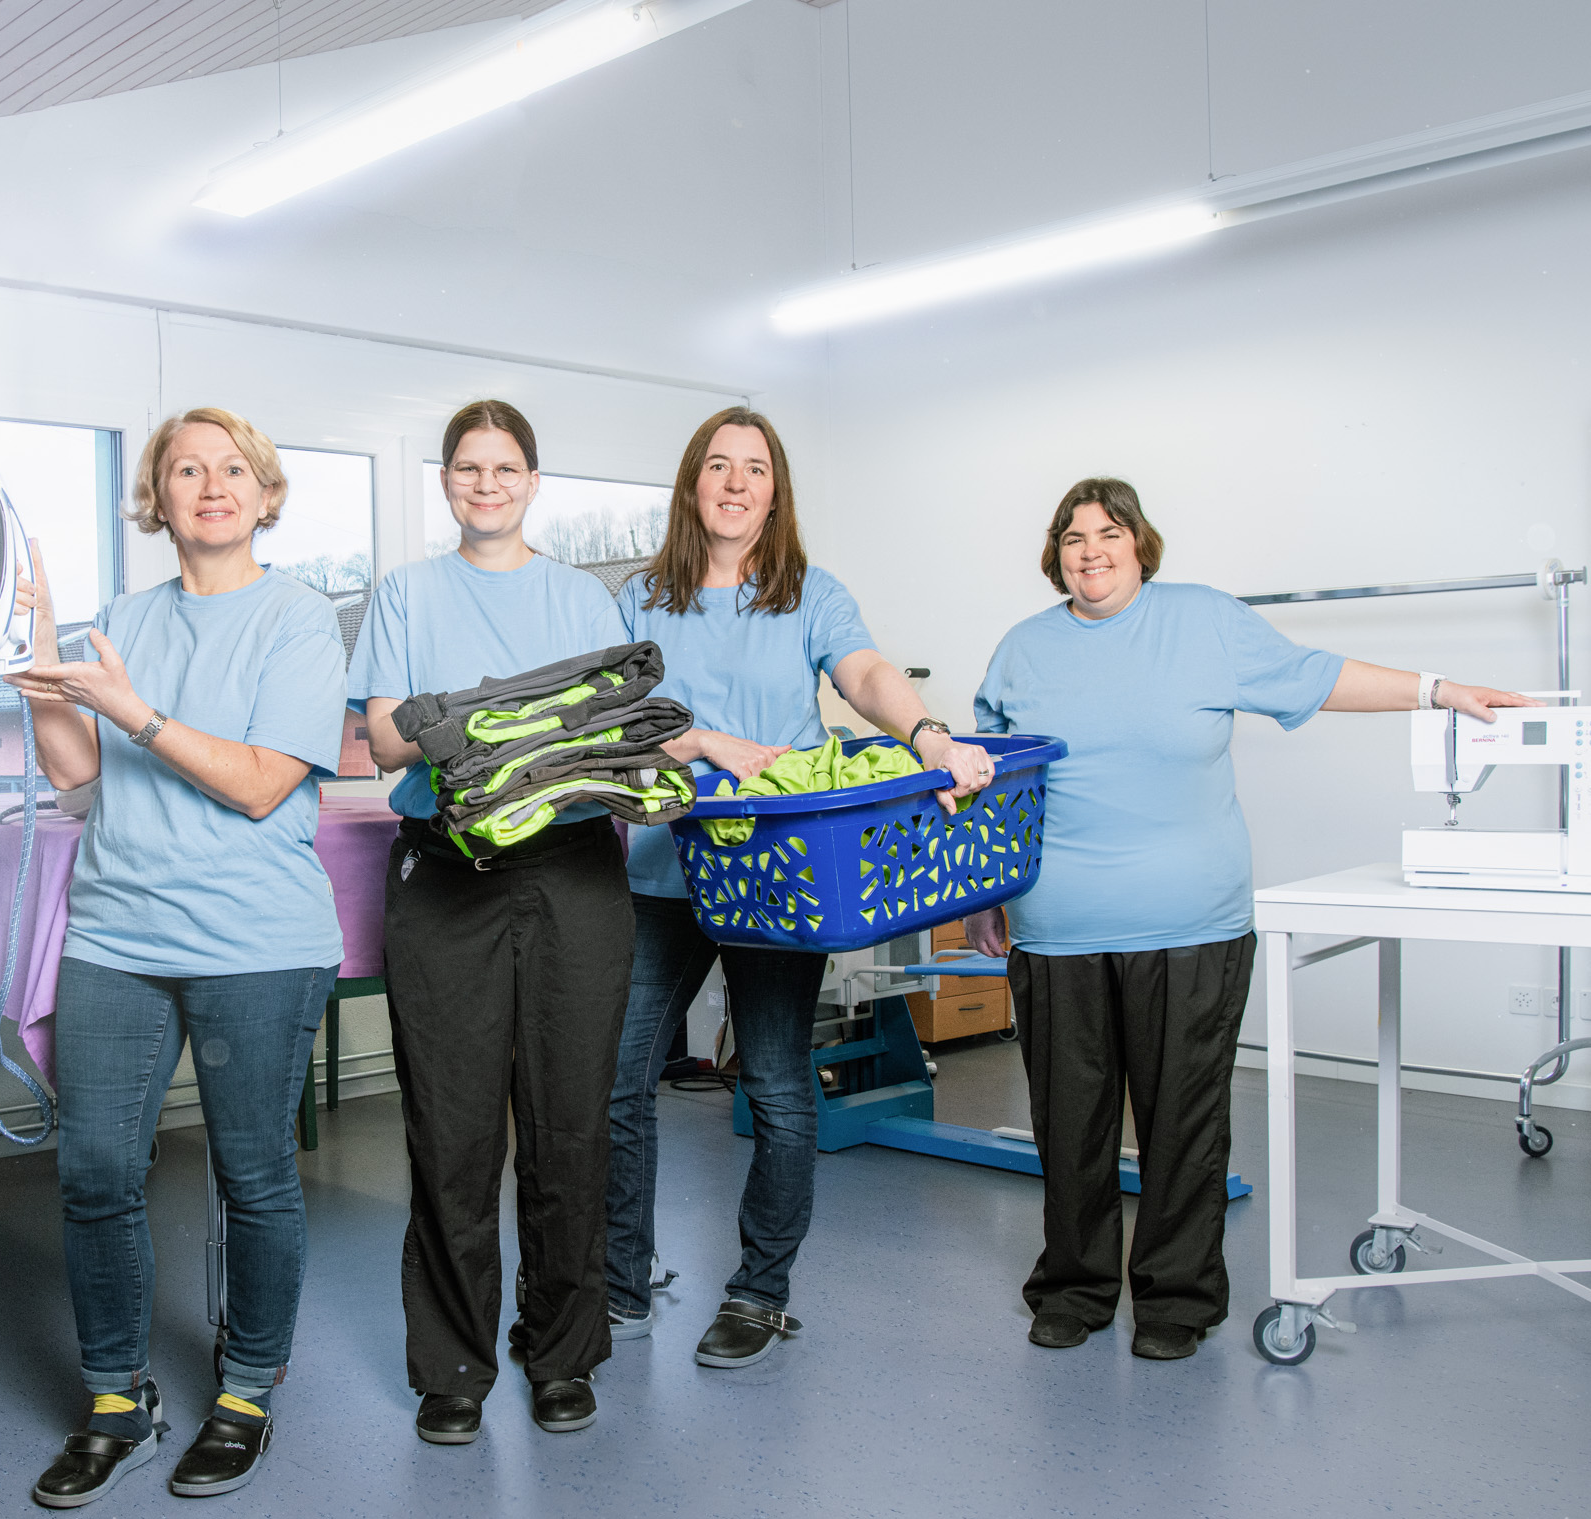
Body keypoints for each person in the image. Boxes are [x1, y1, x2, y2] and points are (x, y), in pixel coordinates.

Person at [963, 477, 1533, 1361]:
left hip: (1192, 925)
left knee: (1182, 1122)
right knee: (1068, 1124)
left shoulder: (1204, 622)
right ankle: (1073, 1290)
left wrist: (1441, 690)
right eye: (1072, 537)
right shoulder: (1022, 651)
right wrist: (986, 893)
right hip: (1058, 926)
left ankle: (1176, 1303)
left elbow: (1320, 677)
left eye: (1108, 532)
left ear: (1139, 544)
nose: (1090, 550)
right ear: (1055, 555)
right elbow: (994, 782)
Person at [5, 407, 345, 1506]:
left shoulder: (300, 620)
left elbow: (257, 784)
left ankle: (245, 1393)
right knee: (96, 1169)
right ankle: (117, 1400)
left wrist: (135, 711)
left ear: (265, 490)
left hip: (256, 942)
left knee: (254, 1177)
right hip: (117, 933)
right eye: (185, 469)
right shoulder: (125, 619)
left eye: (231, 467)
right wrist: (51, 674)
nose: (209, 484)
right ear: (156, 497)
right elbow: (79, 776)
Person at [612, 407, 995, 1367]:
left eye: (754, 469)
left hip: (775, 881)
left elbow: (863, 672)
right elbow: (612, 720)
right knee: (617, 1080)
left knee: (778, 1083)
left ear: (775, 490)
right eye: (717, 466)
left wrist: (928, 735)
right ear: (690, 484)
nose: (735, 484)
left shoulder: (807, 594)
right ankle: (620, 1278)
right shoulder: (639, 601)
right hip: (663, 873)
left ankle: (758, 1292)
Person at [349, 399, 636, 1444]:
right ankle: (454, 1367)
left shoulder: (581, 598)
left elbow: (610, 732)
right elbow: (384, 739)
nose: (485, 482)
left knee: (569, 1126)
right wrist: (489, 725)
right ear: (446, 482)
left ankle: (561, 1351)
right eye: (467, 466)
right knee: (451, 1133)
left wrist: (461, 717)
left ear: (532, 480)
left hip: (571, 878)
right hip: (447, 880)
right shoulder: (407, 594)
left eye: (504, 465)